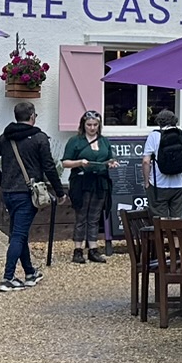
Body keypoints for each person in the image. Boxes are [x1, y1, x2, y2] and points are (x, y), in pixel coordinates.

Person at [0, 100, 61, 292]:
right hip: (27, 193)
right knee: (18, 235)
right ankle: (7, 278)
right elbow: (49, 167)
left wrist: (3, 180)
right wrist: (59, 192)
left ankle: (30, 273)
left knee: (20, 232)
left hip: (9, 193)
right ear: (32, 116)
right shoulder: (39, 138)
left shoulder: (6, 137)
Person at [59, 109, 113, 264]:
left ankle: (93, 249)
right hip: (81, 182)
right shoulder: (75, 141)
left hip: (100, 182)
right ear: (83, 125)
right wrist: (79, 162)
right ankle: (78, 250)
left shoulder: (104, 141)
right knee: (81, 216)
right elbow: (65, 162)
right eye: (89, 124)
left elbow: (110, 157)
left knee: (95, 217)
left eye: (95, 125)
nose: (92, 127)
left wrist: (112, 163)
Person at [142, 107, 182, 218]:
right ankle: (174, 235)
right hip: (179, 185)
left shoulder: (154, 136)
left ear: (159, 121)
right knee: (176, 219)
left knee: (161, 220)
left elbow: (146, 161)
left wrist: (146, 182)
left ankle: (163, 235)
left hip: (158, 185)